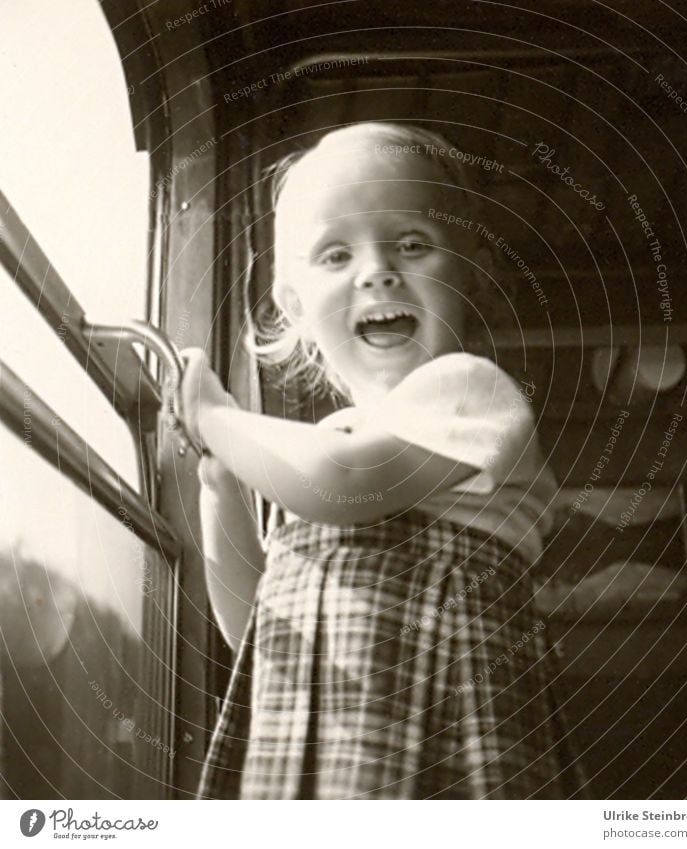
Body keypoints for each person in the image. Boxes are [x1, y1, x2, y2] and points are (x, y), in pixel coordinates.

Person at [181, 122, 583, 799]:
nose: (376, 270)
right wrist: (219, 483)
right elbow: (257, 620)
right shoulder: (329, 444)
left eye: (411, 244)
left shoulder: (467, 390)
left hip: (438, 734)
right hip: (322, 752)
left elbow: (342, 480)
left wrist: (214, 418)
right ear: (294, 306)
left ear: (470, 273)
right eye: (335, 256)